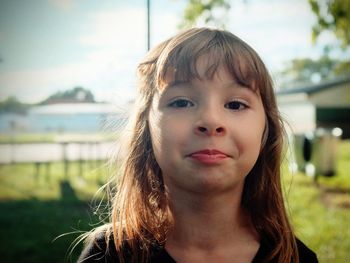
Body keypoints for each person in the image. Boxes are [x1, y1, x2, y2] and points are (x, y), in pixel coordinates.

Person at [78, 27, 318, 263]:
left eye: (235, 105)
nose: (212, 121)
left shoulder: (295, 258)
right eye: (182, 102)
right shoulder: (108, 255)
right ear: (146, 127)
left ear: (267, 130)